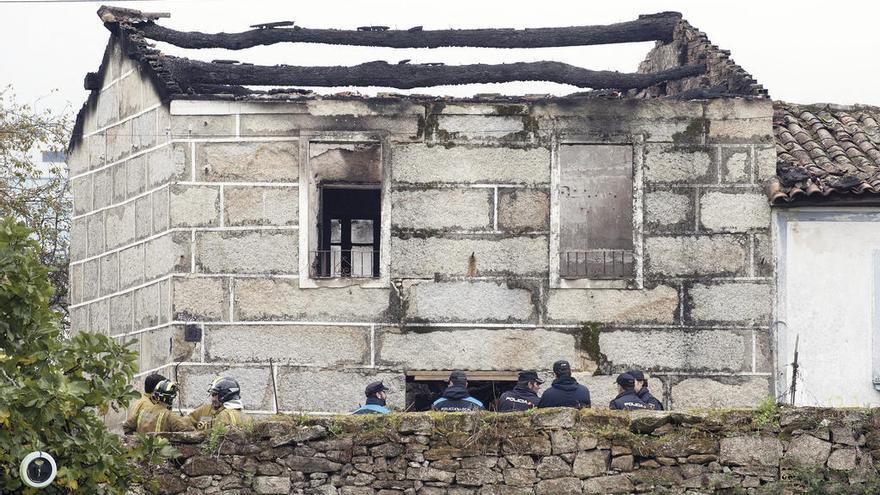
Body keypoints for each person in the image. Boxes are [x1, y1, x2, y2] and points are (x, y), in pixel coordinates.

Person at [123, 379, 194, 433]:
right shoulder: (170, 416)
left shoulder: (142, 412)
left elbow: (126, 426)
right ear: (171, 399)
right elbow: (187, 430)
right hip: (161, 451)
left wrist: (136, 441)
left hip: (141, 450)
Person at [188, 376, 253, 429]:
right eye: (212, 395)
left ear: (225, 395)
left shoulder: (226, 415)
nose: (212, 399)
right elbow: (186, 422)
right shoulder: (204, 410)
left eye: (214, 395)